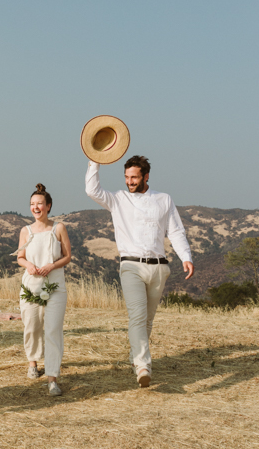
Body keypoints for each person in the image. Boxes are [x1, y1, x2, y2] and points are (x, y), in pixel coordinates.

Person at [85, 155, 194, 388]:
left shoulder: (164, 199)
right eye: (126, 177)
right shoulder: (118, 199)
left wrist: (186, 257)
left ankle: (136, 356)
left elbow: (175, 231)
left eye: (134, 177)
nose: (129, 182)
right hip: (130, 266)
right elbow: (92, 190)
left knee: (147, 320)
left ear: (146, 177)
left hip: (159, 267)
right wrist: (95, 162)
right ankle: (143, 366)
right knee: (137, 316)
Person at [15, 184, 71, 396]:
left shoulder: (58, 228)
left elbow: (67, 256)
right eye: (32, 204)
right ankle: (32, 363)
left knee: (53, 329)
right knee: (32, 326)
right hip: (31, 286)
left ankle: (53, 377)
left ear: (48, 206)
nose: (35, 208)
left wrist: (52, 266)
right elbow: (20, 257)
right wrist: (27, 265)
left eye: (39, 204)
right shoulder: (25, 231)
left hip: (55, 286)